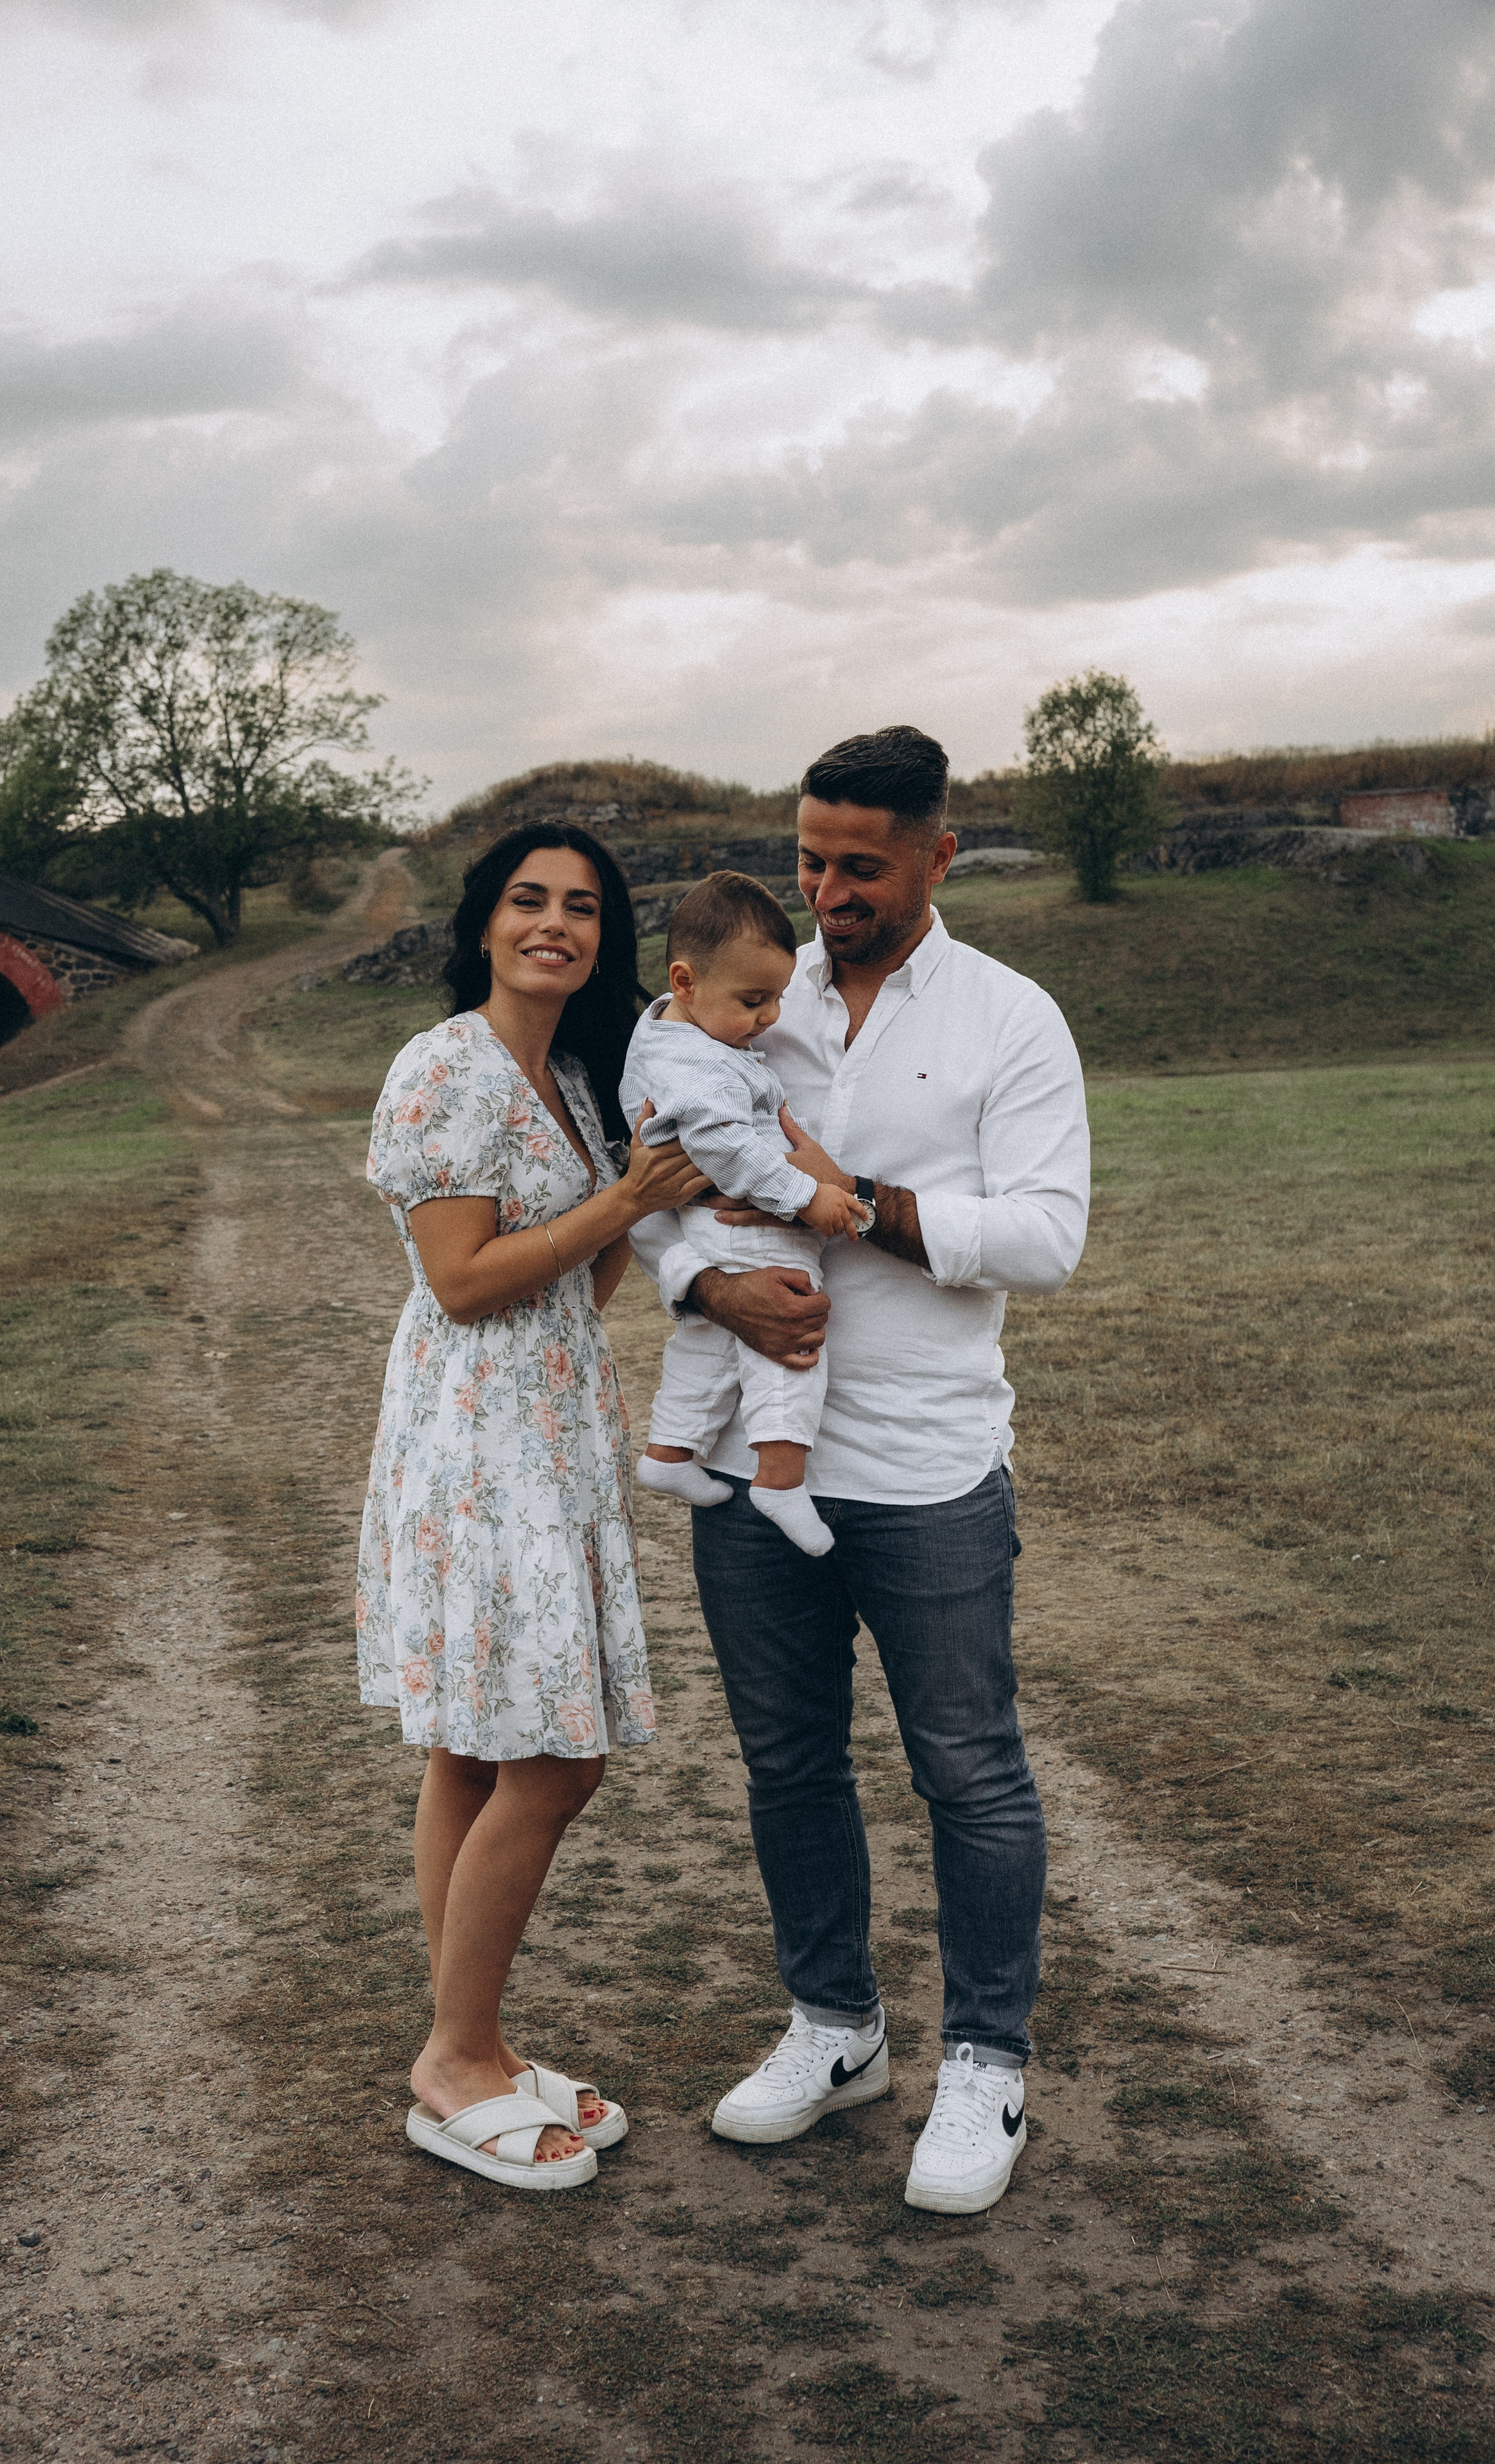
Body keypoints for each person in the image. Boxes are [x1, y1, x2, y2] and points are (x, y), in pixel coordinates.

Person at [631, 725, 1090, 2215]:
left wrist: (856, 1206)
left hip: (924, 1464)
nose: (827, 891)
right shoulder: (736, 997)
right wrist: (708, 1285)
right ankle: (835, 2027)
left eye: (860, 866)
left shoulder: (1010, 1017)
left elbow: (1044, 1236)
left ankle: (983, 2059)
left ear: (936, 855)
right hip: (748, 1461)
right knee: (785, 1760)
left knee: (965, 1764)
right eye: (810, 859)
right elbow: (657, 1194)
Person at [355, 822, 708, 2193]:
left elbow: (578, 1282)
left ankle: (478, 2044)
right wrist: (621, 1200)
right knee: (556, 1758)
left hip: (549, 1426)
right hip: (477, 1441)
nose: (555, 922)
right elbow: (461, 1279)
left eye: (582, 907)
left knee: (475, 1748)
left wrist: (631, 1195)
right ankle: (452, 2064)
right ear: (485, 924)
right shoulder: (444, 1065)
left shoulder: (568, 1076)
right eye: (528, 899)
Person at [620, 870, 871, 1558]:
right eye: (754, 1001)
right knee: (789, 1335)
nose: (770, 1018)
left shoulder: (677, 1036)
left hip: (708, 1224)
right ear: (684, 981)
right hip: (750, 1220)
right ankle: (779, 1480)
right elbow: (727, 1148)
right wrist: (808, 1195)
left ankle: (670, 1451)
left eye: (778, 998)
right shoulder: (694, 1064)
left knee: (710, 1337)